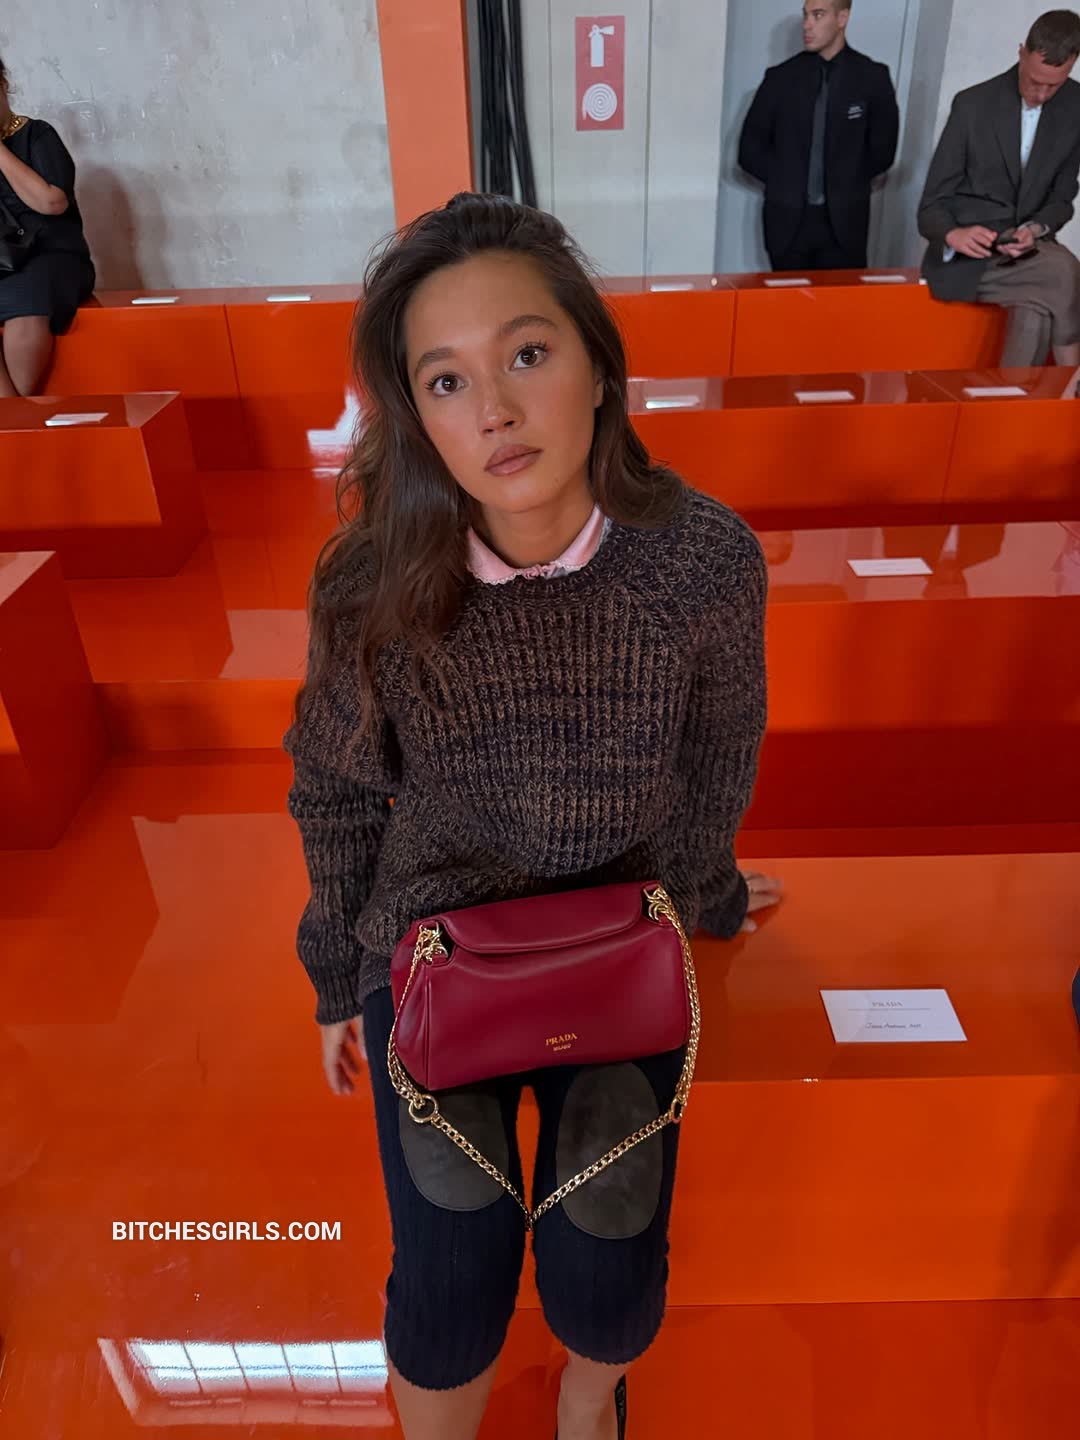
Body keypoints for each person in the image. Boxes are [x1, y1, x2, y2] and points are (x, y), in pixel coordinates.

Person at [283, 192, 783, 1440]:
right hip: (433, 943)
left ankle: (586, 1401)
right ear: (416, 418)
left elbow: (719, 755)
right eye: (446, 382)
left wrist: (711, 894)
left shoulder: (703, 563)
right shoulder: (371, 581)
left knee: (608, 1262)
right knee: (450, 1277)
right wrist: (339, 976)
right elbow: (334, 785)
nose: (494, 411)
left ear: (599, 367)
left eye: (527, 353)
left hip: (620, 939)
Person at [918, 10, 1080, 368]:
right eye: (1035, 81)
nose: (1041, 94)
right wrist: (954, 234)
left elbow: (1062, 200)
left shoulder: (1075, 107)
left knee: (1036, 314)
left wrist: (1034, 229)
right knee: (1064, 271)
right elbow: (930, 207)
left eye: (1053, 86)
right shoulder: (972, 104)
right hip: (970, 260)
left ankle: (1011, 401)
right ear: (1021, 53)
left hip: (1029, 256)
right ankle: (1073, 380)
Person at [738, 0, 899, 271]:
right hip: (788, 223)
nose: (807, 25)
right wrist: (786, 181)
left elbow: (883, 152)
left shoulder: (872, 77)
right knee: (787, 297)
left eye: (818, 15)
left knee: (840, 298)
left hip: (845, 224)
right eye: (806, 16)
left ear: (842, 18)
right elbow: (750, 150)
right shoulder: (779, 78)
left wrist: (847, 181)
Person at [0, 55, 95, 397]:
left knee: (26, 299)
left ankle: (14, 412)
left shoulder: (37, 135)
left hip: (52, 253)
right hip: (3, 260)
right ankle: (11, 414)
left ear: (3, 85)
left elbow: (52, 203)